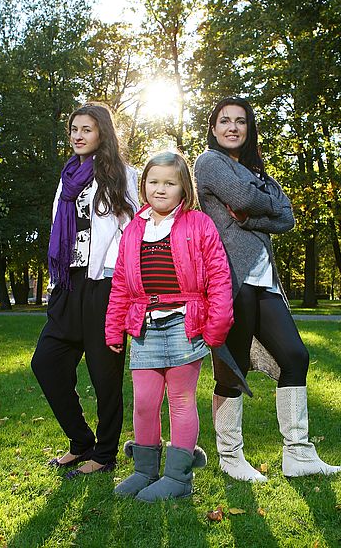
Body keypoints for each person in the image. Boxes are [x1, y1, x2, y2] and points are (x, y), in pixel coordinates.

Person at [194, 96, 341, 482]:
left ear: (248, 128)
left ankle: (298, 454)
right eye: (224, 121)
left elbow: (287, 216)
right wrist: (261, 205)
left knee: (295, 355)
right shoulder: (209, 163)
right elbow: (245, 198)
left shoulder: (256, 169)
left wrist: (247, 216)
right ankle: (230, 455)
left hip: (266, 282)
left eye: (240, 121)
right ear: (213, 128)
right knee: (233, 365)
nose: (232, 127)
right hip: (233, 279)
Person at [105, 151, 233, 502]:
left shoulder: (199, 224)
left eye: (169, 182)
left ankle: (178, 477)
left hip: (185, 323)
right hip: (143, 325)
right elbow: (121, 284)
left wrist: (217, 326)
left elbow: (220, 277)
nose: (160, 189)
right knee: (144, 402)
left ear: (184, 189)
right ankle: (144, 470)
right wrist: (114, 329)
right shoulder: (133, 229)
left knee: (180, 400)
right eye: (153, 181)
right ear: (143, 185)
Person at [31, 102, 139, 479]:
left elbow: (131, 232)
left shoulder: (122, 174)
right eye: (74, 128)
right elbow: (59, 230)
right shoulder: (67, 176)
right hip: (67, 285)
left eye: (86, 129)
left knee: (105, 376)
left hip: (103, 287)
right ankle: (81, 442)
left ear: (102, 133)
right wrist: (55, 282)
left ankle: (105, 453)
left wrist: (111, 276)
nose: (78, 135)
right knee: (45, 363)